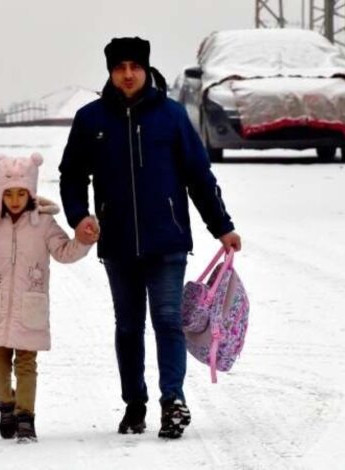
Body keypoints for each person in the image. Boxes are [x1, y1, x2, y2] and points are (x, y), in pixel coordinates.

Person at [59, 37, 242, 440]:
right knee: (128, 326)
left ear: (146, 69)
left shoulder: (172, 116)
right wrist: (80, 216)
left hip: (168, 240)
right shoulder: (92, 120)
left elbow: (199, 177)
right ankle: (134, 403)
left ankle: (172, 401)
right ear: (109, 71)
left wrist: (222, 227)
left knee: (167, 319)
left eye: (135, 66)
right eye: (120, 67)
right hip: (118, 242)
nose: (128, 74)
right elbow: (72, 175)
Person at [0, 153, 96, 443]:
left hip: (29, 310)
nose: (14, 199)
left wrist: (83, 242)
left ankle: (26, 417)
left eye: (21, 193)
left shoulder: (44, 225)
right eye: (8, 193)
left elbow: (64, 252)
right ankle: (6, 404)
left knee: (26, 366)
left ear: (31, 192)